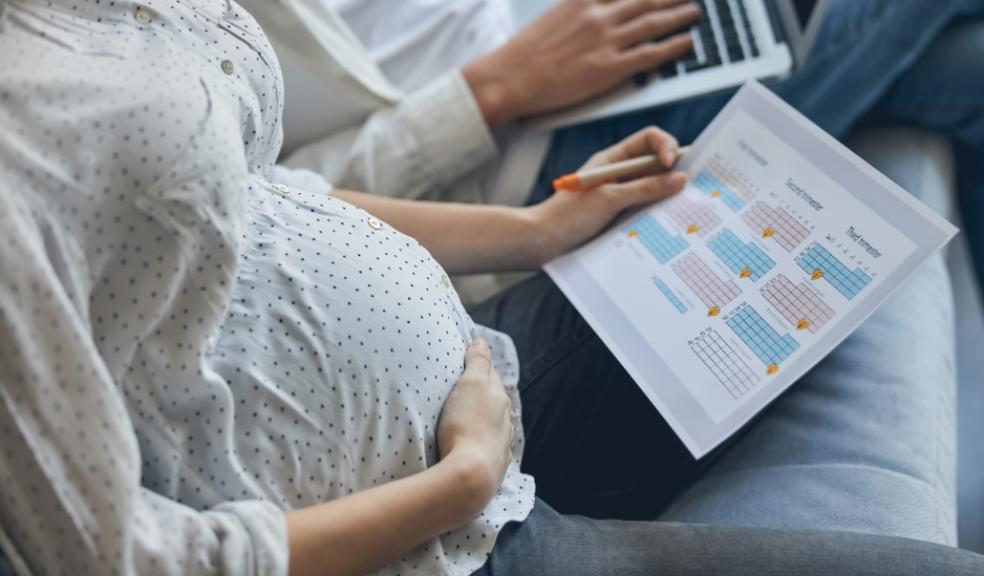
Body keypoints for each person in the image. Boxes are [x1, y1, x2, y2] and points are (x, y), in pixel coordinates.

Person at [1, 2, 982, 576]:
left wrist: (532, 234)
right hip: (456, 535)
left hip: (494, 362)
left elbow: (250, 189)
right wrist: (458, 484)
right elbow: (110, 558)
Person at [239, 0, 984, 294]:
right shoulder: (147, 60)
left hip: (563, 34)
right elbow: (271, 205)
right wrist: (496, 88)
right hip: (524, 153)